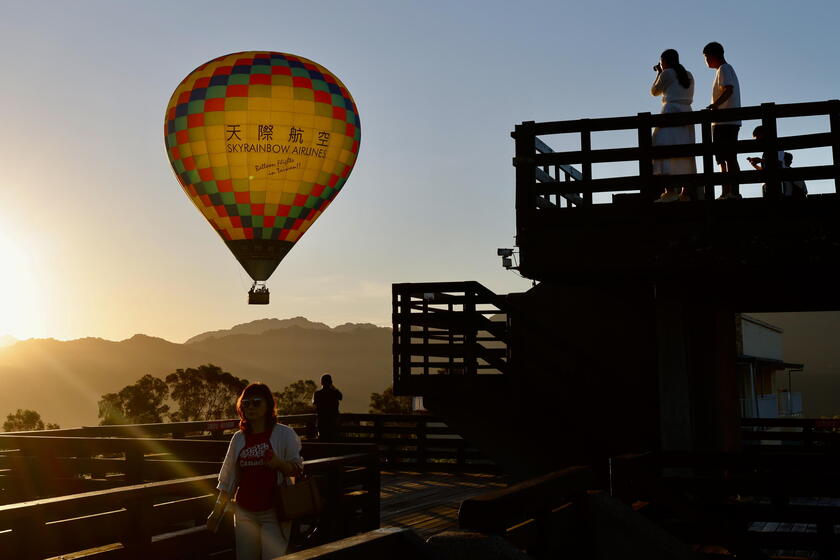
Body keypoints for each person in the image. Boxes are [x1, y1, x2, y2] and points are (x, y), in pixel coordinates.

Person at [207, 382, 303, 559]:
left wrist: (278, 463)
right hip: (245, 511)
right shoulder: (239, 438)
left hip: (275, 512)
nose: (251, 407)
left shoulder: (284, 434)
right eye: (246, 403)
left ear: (268, 405)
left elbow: (297, 468)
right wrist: (216, 511)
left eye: (257, 402)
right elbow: (228, 478)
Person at [650, 49, 697, 202]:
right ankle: (685, 193)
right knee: (685, 151)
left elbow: (654, 91)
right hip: (686, 113)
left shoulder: (667, 73)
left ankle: (669, 191)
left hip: (670, 113)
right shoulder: (688, 75)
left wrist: (659, 73)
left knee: (663, 149)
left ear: (665, 61)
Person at [703, 41, 742, 200]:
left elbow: (729, 90)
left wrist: (714, 106)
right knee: (723, 158)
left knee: (729, 158)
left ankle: (732, 192)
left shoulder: (724, 69)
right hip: (725, 121)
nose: (706, 61)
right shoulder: (725, 69)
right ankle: (727, 192)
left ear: (712, 56)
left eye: (706, 57)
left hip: (726, 121)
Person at [746, 125, 785, 198]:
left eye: (758, 136)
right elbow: (763, 170)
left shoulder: (778, 147)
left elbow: (778, 163)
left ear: (763, 134)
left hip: (777, 185)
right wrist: (754, 165)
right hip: (766, 185)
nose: (757, 140)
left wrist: (760, 160)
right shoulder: (765, 152)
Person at [313, 374, 342, 442]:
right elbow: (341, 397)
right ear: (331, 382)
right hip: (333, 422)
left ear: (321, 382)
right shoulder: (334, 393)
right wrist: (333, 387)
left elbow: (313, 402)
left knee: (322, 441)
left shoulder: (317, 393)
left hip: (322, 422)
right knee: (333, 441)